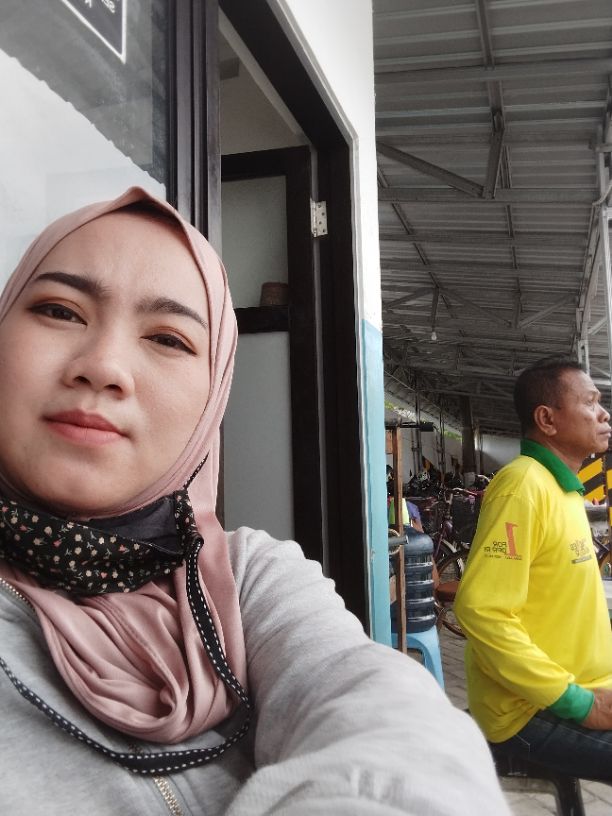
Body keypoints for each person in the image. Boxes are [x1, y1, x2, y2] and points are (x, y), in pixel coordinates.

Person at [0, 187, 510, 815]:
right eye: (59, 310)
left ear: (213, 396)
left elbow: (390, 723)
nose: (103, 366)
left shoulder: (243, 579)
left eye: (168, 339)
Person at [455, 357, 612, 782]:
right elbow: (481, 610)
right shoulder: (522, 486)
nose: (603, 414)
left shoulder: (565, 490)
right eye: (590, 402)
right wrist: (580, 703)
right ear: (546, 419)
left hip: (587, 686)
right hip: (530, 711)